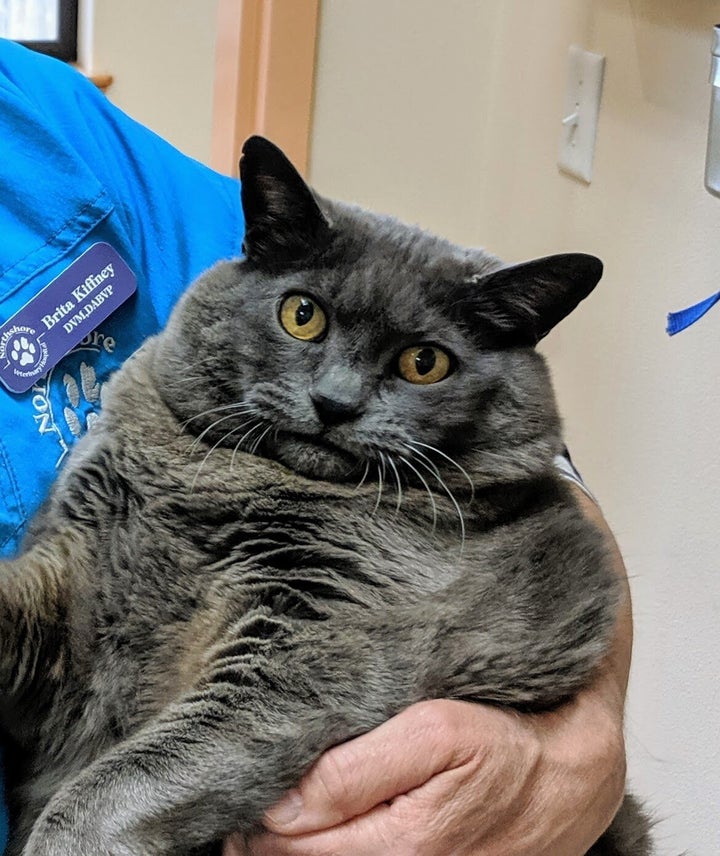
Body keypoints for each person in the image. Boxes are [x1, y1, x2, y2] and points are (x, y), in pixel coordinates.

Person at [0, 39, 631, 855]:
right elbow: (55, 644)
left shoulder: (47, 120)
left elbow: (299, 682)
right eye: (306, 324)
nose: (335, 396)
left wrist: (580, 749)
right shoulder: (173, 406)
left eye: (420, 364)